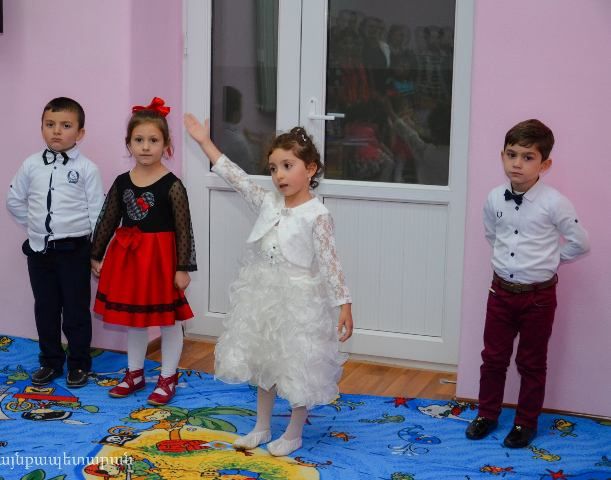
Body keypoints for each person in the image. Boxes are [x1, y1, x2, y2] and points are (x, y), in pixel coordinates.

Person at [184, 113, 353, 457]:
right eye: (274, 168)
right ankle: (261, 426)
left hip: (298, 302)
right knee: (265, 363)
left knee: (295, 366)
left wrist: (344, 304)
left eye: (287, 166)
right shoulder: (267, 202)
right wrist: (204, 142)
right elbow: (235, 176)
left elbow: (330, 263)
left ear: (310, 169)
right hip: (262, 296)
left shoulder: (317, 215)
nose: (279, 175)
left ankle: (294, 432)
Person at [465, 119, 589, 448]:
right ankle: (487, 414)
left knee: (531, 362)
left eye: (528, 157)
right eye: (512, 154)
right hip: (500, 293)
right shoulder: (494, 198)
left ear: (544, 164)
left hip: (538, 298)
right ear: (502, 156)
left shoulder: (554, 203)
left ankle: (525, 422)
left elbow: (580, 243)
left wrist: (549, 261)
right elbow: (493, 235)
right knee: (493, 357)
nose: (517, 163)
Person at [90, 97, 197, 405]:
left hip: (161, 262)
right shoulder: (122, 182)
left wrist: (183, 268)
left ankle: (168, 377)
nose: (146, 147)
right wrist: (96, 253)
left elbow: (184, 229)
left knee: (168, 321)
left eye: (153, 140)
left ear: (166, 145)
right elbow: (108, 217)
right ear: (129, 144)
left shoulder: (173, 185)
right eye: (139, 140)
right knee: (134, 319)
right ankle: (134, 373)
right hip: (129, 260)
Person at [6, 97, 105, 388]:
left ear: (80, 133)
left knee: (75, 311)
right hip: (40, 252)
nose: (57, 131)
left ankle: (79, 363)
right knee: (46, 309)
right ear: (42, 128)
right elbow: (14, 200)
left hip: (74, 251)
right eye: (50, 124)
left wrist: (96, 251)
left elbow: (98, 213)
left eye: (66, 125)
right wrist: (35, 226)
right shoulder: (31, 164)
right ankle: (50, 361)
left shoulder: (87, 169)